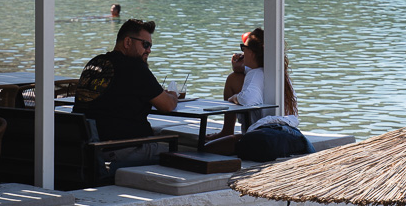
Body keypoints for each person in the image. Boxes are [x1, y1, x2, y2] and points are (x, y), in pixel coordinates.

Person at [73, 18, 178, 169]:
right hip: (123, 149)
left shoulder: (95, 63)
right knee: (185, 152)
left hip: (87, 148)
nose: (149, 50)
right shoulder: (135, 68)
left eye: (150, 46)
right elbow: (167, 106)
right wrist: (173, 96)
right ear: (128, 42)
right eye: (145, 44)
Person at [204, 28, 312, 160]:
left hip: (265, 133)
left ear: (252, 52)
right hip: (288, 131)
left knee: (206, 149)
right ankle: (229, 134)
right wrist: (240, 67)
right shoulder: (278, 74)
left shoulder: (255, 74)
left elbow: (249, 99)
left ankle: (227, 131)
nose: (242, 52)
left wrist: (235, 98)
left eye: (244, 47)